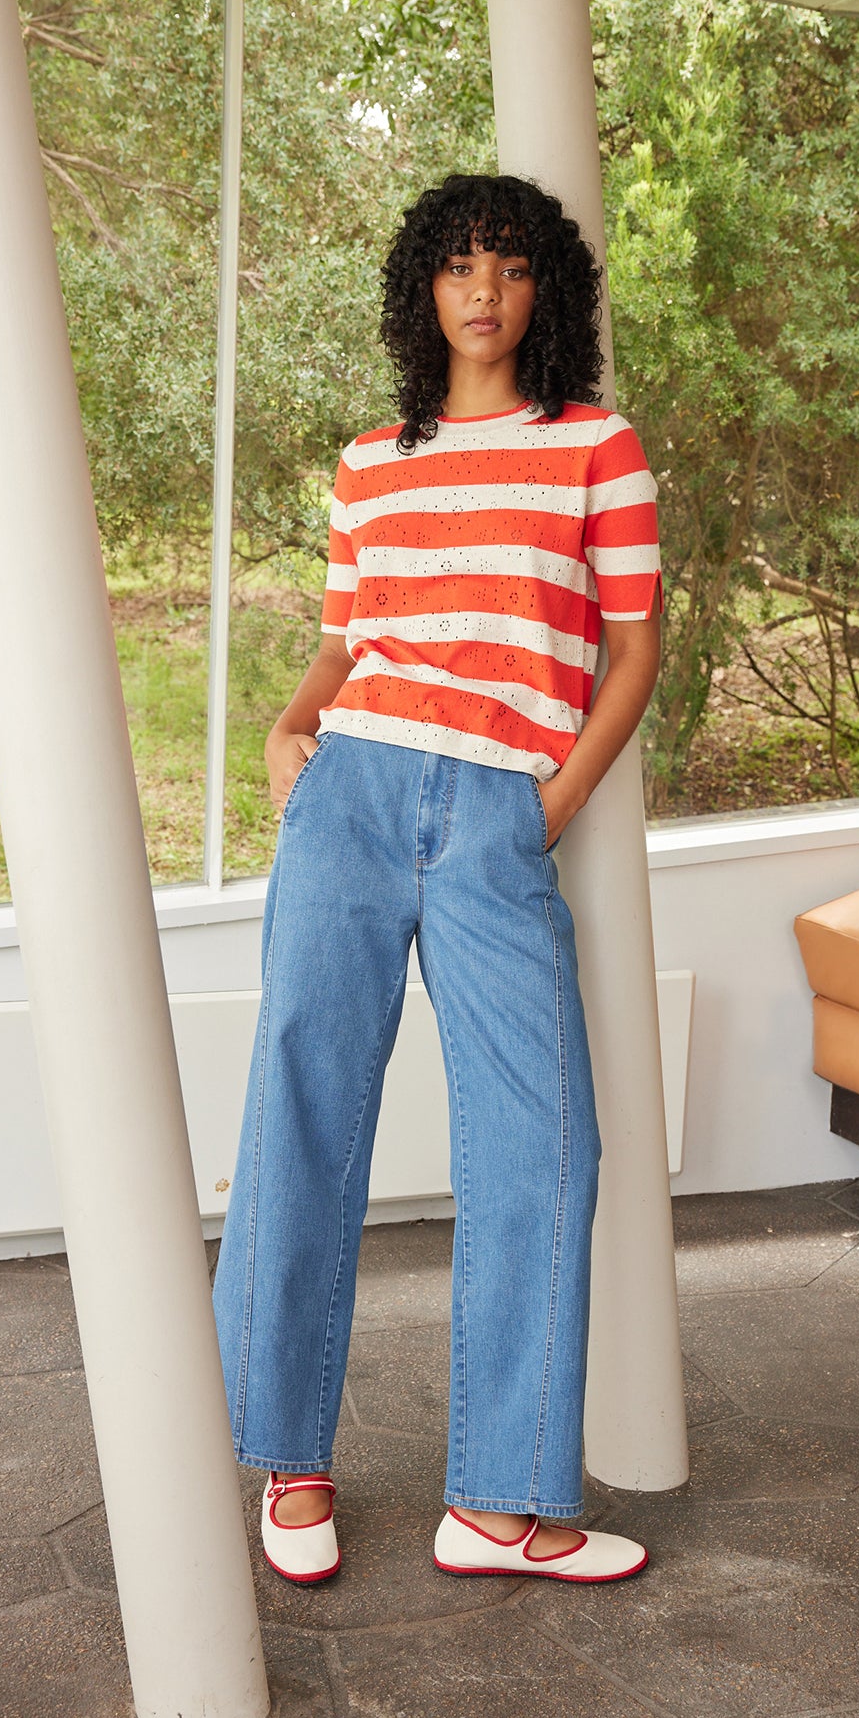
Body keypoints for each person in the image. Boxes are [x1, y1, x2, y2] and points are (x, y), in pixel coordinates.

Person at [212, 172, 662, 1586]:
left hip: (496, 811)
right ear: (426, 288)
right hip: (349, 792)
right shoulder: (371, 462)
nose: (485, 291)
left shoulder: (595, 448)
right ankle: (288, 1461)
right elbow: (347, 641)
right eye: (461, 266)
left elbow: (635, 652)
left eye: (513, 268)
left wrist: (549, 805)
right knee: (303, 1107)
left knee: (545, 1136)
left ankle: (499, 1502)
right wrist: (289, 730)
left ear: (546, 293)